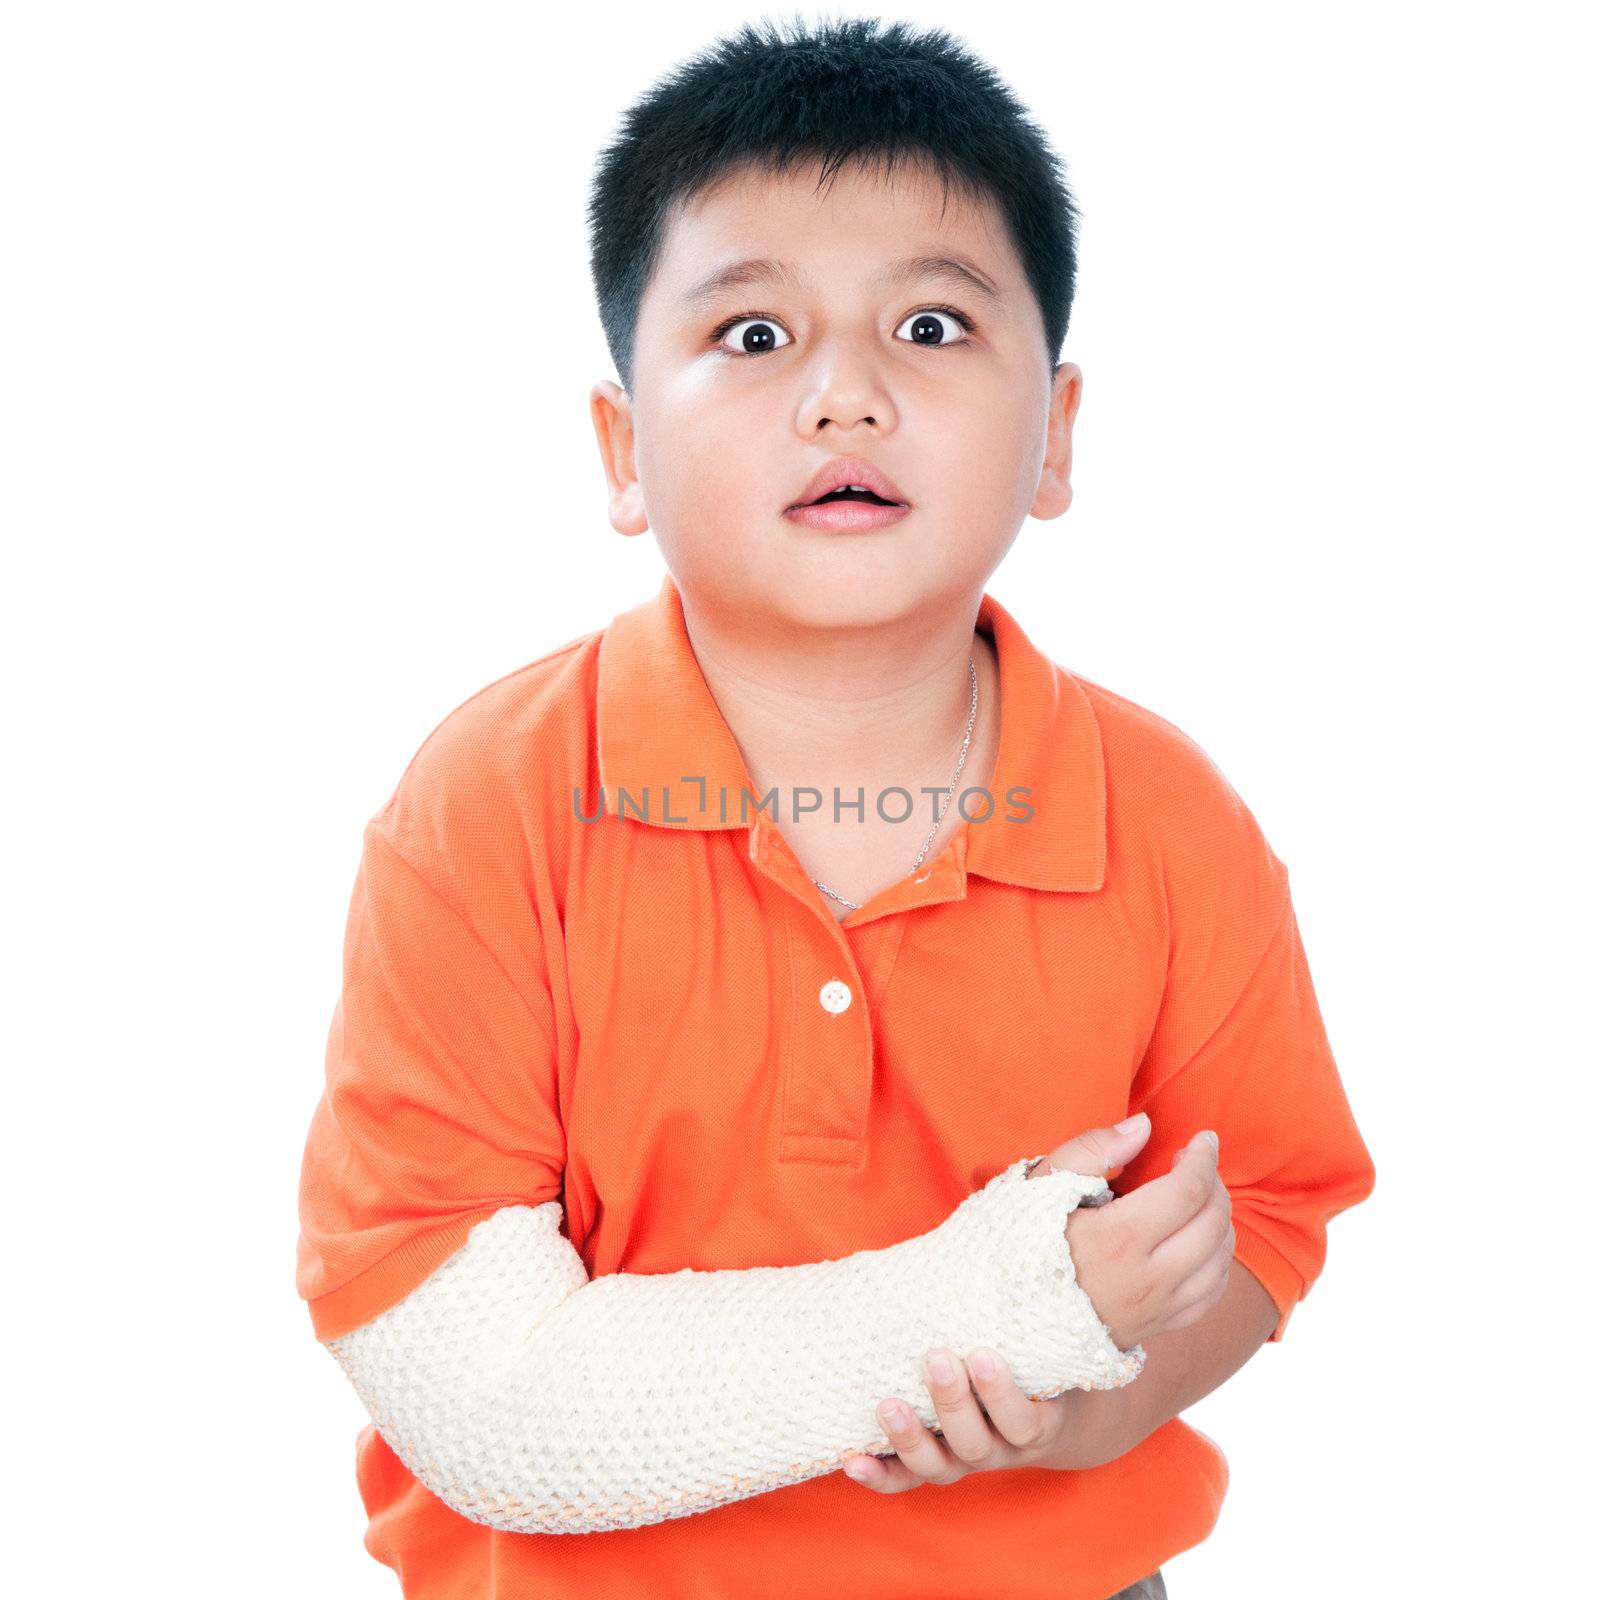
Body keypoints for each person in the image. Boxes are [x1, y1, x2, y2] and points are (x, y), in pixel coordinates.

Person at [295, 16, 1377, 1599]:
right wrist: (989, 1302)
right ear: (621, 449)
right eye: (753, 339)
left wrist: (1093, 1406)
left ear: (1057, 433)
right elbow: (472, 1384)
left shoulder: (1167, 822)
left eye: (933, 328)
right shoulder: (489, 810)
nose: (847, 396)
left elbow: (1260, 1225)